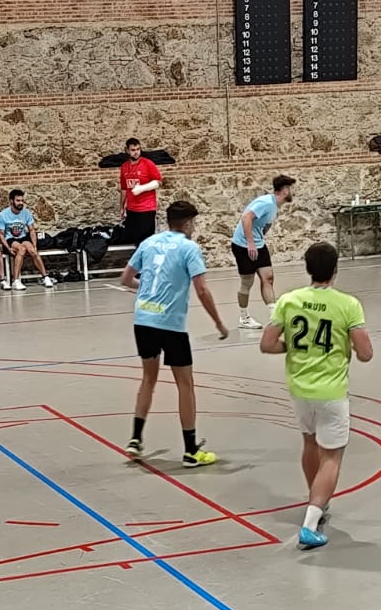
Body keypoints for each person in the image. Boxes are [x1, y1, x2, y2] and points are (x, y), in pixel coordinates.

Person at [260, 242, 373, 549]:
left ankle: (316, 501)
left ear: (307, 269)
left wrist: (295, 347)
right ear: (335, 270)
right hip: (331, 392)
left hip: (299, 389)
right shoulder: (348, 305)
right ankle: (311, 523)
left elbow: (267, 344)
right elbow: (365, 353)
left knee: (309, 442)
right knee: (332, 456)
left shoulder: (289, 300)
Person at [121, 199, 228, 467]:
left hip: (143, 320)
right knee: (185, 384)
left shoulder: (149, 243)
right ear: (188, 223)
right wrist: (218, 322)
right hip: (170, 324)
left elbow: (126, 279)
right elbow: (202, 290)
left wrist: (149, 290)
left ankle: (135, 439)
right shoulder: (189, 248)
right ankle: (191, 451)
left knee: (148, 379)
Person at [231, 174, 296, 330]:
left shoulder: (274, 206)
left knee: (268, 278)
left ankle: (274, 317)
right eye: (291, 188)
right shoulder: (265, 203)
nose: (293, 191)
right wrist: (250, 243)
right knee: (247, 282)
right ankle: (244, 318)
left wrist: (261, 235)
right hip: (243, 245)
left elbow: (264, 224)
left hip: (259, 244)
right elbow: (246, 218)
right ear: (285, 190)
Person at [0, 189, 54, 289]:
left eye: (22, 200)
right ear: (11, 201)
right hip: (10, 239)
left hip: (23, 237)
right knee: (21, 249)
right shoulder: (3, 215)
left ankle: (45, 277)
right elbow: (1, 234)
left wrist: (34, 245)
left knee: (32, 250)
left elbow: (31, 230)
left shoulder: (26, 213)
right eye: (18, 200)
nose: (21, 203)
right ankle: (16, 280)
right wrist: (8, 248)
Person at [119, 137, 162, 246]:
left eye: (138, 149)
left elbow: (158, 182)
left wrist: (142, 188)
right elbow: (124, 188)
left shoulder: (148, 164)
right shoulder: (124, 167)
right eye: (133, 150)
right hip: (131, 209)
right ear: (127, 150)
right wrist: (122, 207)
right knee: (131, 241)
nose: (136, 152)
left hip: (146, 209)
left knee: (146, 242)